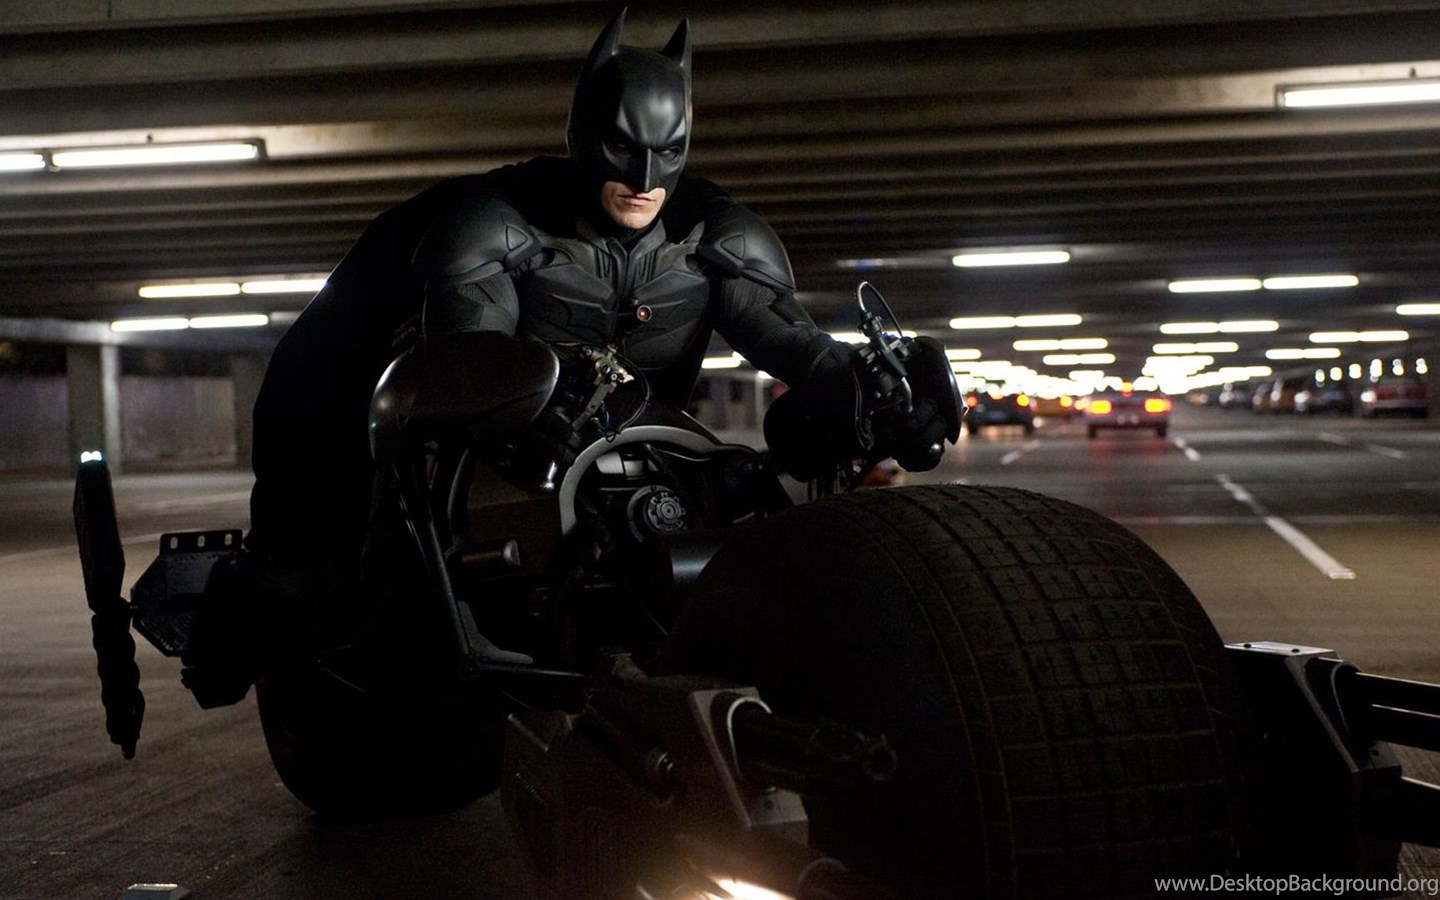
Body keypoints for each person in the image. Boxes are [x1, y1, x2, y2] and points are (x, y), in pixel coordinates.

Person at [245, 9, 955, 571]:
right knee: (383, 575)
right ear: (584, 137)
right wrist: (521, 412)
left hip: (654, 466)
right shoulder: (495, 228)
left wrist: (877, 384)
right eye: (623, 149)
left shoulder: (715, 240)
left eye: (665, 154)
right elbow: (465, 362)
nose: (644, 179)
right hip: (508, 467)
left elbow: (791, 340)